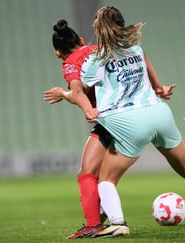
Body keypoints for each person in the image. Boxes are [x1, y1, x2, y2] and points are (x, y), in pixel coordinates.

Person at [75, 6, 185, 238]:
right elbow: (146, 60)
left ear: (98, 29)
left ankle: (118, 222)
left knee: (106, 179)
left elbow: (79, 90)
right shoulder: (135, 49)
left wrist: (77, 101)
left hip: (129, 122)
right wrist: (159, 87)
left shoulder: (95, 59)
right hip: (159, 113)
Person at [43, 19, 176, 239]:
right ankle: (103, 211)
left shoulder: (70, 63)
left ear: (58, 53)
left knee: (87, 174)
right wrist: (157, 87)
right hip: (135, 114)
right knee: (103, 175)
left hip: (110, 119)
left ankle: (94, 224)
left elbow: (79, 91)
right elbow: (139, 60)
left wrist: (85, 108)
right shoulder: (99, 49)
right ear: (82, 40)